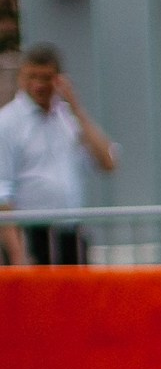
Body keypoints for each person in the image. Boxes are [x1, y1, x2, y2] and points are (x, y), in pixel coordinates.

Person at [0, 43, 117, 266]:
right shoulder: (7, 123)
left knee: (77, 299)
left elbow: (108, 162)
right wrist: (17, 254)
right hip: (32, 234)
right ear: (21, 78)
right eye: (31, 77)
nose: (38, 85)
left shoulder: (68, 119)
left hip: (70, 232)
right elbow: (2, 192)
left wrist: (76, 109)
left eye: (46, 78)